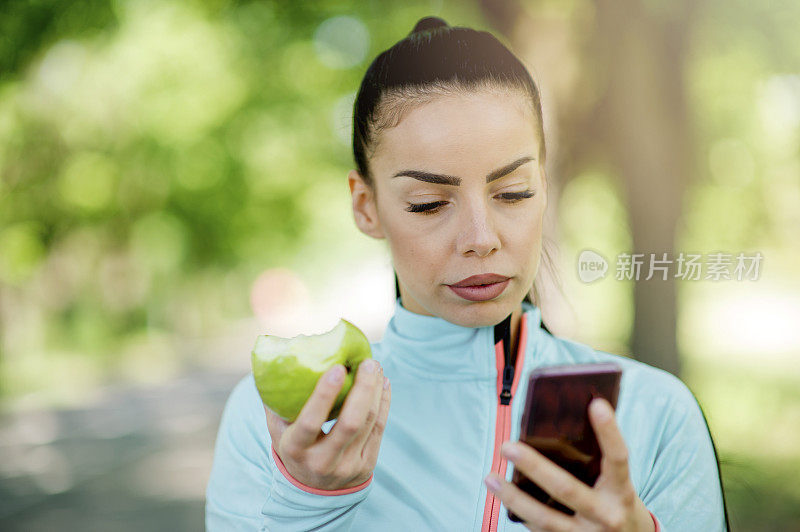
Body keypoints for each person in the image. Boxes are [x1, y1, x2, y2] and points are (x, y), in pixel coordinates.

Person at [205, 16, 729, 531]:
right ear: (366, 207)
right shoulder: (281, 422)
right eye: (430, 204)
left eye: (513, 193)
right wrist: (306, 504)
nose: (481, 238)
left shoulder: (655, 412)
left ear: (543, 189)